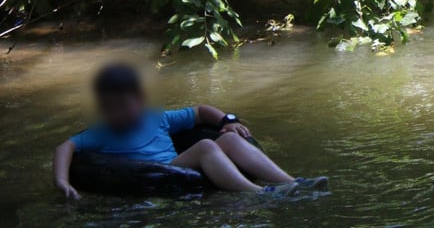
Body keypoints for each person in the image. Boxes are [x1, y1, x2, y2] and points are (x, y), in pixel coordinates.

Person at [53, 63, 325, 198]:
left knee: (227, 139)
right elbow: (65, 147)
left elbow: (199, 111)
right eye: (114, 107)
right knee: (207, 146)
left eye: (127, 104)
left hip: (180, 165)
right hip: (160, 171)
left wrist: (227, 120)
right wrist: (62, 182)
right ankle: (258, 195)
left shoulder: (156, 117)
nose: (122, 112)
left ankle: (292, 183)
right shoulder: (102, 132)